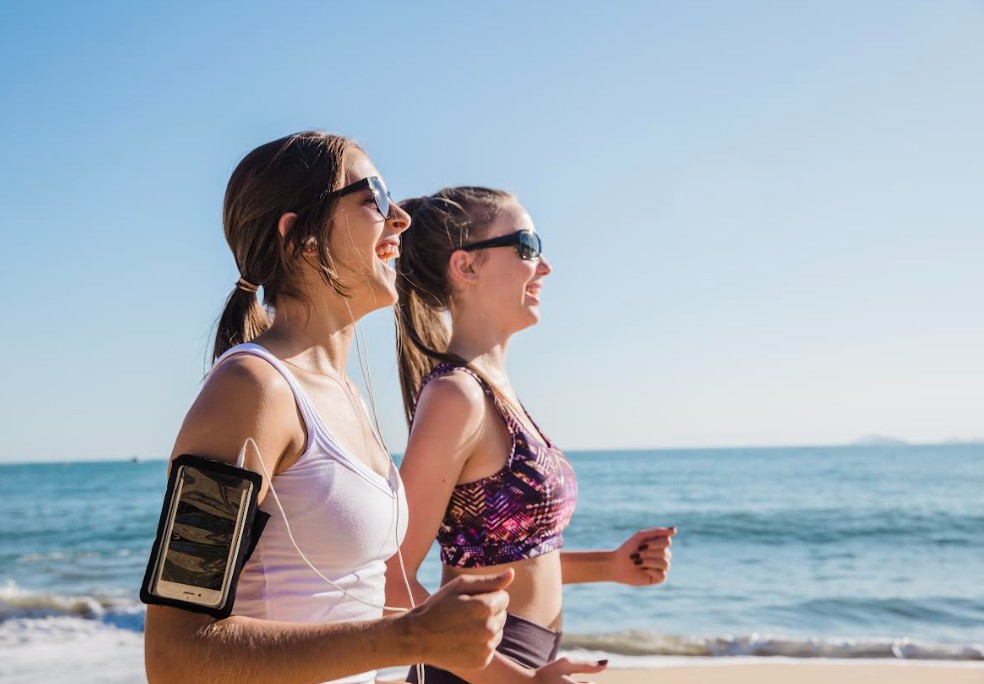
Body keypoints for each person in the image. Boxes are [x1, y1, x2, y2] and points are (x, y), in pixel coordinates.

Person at [144, 134, 515, 684]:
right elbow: (175, 656)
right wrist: (410, 637)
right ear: (301, 238)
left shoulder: (344, 394)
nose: (401, 220)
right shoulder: (251, 390)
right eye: (374, 199)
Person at [387, 187, 676, 683]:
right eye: (527, 246)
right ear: (467, 266)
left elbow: (501, 556)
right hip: (482, 671)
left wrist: (610, 565)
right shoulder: (457, 396)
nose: (543, 267)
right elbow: (390, 578)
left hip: (519, 660)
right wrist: (517, 681)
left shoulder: (492, 390)